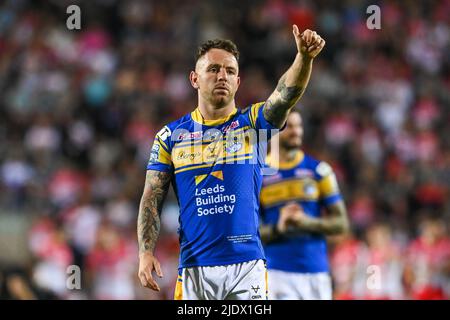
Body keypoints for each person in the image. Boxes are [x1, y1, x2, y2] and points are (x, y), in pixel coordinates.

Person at [137, 25, 326, 300]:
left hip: (247, 267)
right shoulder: (170, 137)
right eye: (213, 69)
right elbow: (152, 197)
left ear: (238, 82)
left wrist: (304, 58)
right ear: (194, 78)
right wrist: (145, 252)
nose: (222, 76)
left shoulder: (252, 125)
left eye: (230, 71)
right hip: (195, 267)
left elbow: (285, 95)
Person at [259, 110, 349, 300]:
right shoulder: (258, 176)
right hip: (277, 272)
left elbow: (341, 224)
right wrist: (279, 228)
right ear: (273, 130)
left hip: (316, 272)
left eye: (298, 126)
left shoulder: (319, 171)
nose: (296, 131)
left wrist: (305, 223)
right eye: (289, 126)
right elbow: (249, 234)